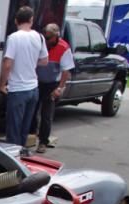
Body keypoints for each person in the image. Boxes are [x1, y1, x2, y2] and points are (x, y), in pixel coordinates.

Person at [0, 6, 49, 147]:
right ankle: (23, 152)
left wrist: (2, 84)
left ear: (16, 21)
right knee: (25, 126)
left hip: (17, 88)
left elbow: (8, 64)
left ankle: (14, 156)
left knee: (13, 127)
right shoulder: (39, 37)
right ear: (31, 20)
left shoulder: (14, 38)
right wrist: (31, 61)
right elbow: (45, 61)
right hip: (33, 88)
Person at [30, 23, 74, 153]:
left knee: (46, 114)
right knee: (32, 110)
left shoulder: (64, 48)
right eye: (45, 37)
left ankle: (43, 141)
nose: (46, 40)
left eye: (48, 38)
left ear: (56, 37)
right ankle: (31, 135)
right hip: (37, 81)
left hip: (52, 84)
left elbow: (66, 71)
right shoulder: (40, 43)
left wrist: (59, 88)